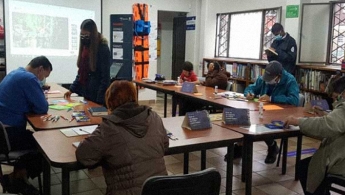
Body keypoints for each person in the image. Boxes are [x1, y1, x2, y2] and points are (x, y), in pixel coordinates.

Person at [76, 80, 169, 195]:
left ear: (110, 102)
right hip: (160, 189)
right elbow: (165, 145)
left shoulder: (109, 127)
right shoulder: (154, 117)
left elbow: (84, 155)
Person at [0, 56, 53, 195]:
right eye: (44, 76)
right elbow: (42, 107)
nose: (42, 81)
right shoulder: (29, 79)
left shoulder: (15, 73)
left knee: (36, 139)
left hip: (3, 132)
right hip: (8, 135)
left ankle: (17, 177)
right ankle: (19, 178)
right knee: (46, 147)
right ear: (40, 69)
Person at [284, 76, 345, 195]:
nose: (334, 102)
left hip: (340, 163)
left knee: (307, 169)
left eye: (335, 97)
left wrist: (298, 121)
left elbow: (328, 126)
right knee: (305, 166)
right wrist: (326, 115)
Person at [244, 60, 299, 164]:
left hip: (282, 114)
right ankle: (240, 147)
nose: (268, 81)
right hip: (264, 111)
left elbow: (294, 100)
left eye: (270, 79)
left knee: (262, 124)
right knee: (247, 120)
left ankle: (272, 147)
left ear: (278, 76)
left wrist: (272, 98)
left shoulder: (290, 80)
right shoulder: (263, 79)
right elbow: (251, 88)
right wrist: (249, 93)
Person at [64, 19, 111, 105]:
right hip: (86, 93)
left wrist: (99, 100)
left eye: (86, 35)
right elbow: (81, 73)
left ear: (92, 34)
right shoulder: (86, 48)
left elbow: (105, 78)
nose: (84, 38)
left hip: (97, 95)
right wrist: (71, 90)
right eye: (82, 35)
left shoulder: (103, 49)